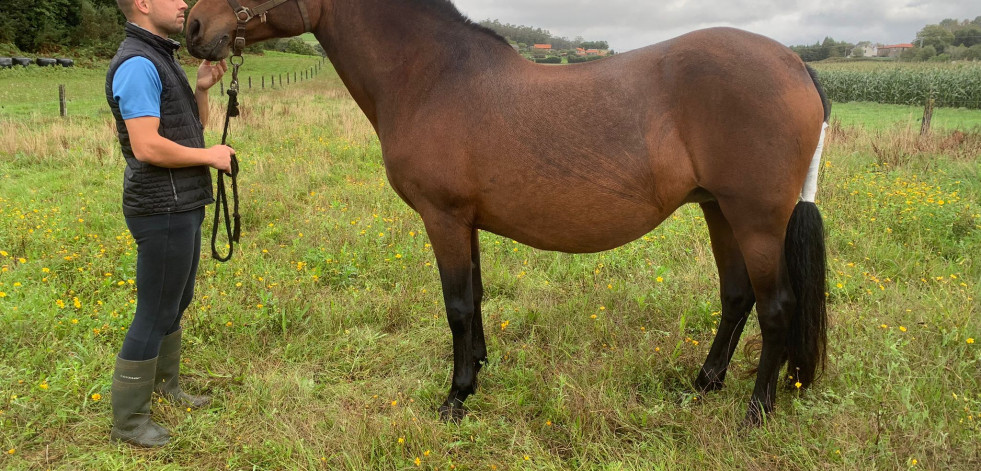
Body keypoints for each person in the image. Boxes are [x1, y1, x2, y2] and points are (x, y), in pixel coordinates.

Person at [105, 0, 234, 447]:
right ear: (142, 4)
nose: (183, 3)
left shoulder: (161, 57)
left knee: (177, 301)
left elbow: (187, 131)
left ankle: (166, 387)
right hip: (161, 207)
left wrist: (200, 91)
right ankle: (129, 421)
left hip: (181, 203)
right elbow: (146, 146)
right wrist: (210, 158)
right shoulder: (138, 64)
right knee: (155, 310)